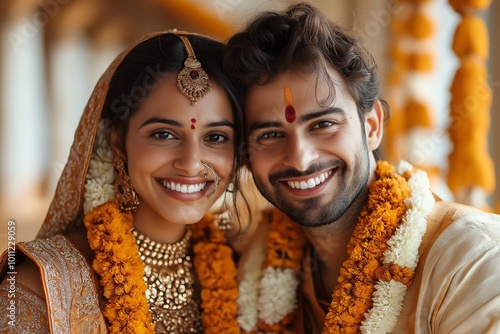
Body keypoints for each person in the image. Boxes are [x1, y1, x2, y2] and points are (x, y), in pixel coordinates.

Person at [224, 2, 500, 333]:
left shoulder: (473, 260)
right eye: (270, 134)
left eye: (323, 124)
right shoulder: (259, 258)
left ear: (371, 127)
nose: (300, 158)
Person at [0, 30, 252, 333]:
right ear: (117, 141)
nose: (191, 164)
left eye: (215, 137)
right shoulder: (45, 286)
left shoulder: (245, 276)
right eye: (164, 134)